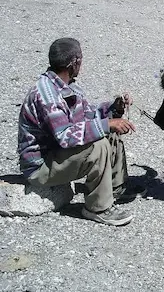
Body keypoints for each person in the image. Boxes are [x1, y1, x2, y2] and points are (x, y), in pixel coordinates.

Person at [17, 38, 145, 226]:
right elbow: (65, 136)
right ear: (74, 62)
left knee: (109, 131)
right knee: (99, 144)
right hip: (41, 167)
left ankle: (115, 189)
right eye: (81, 60)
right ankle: (98, 208)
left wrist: (113, 108)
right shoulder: (47, 95)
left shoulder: (66, 85)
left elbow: (88, 114)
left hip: (56, 155)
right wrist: (107, 124)